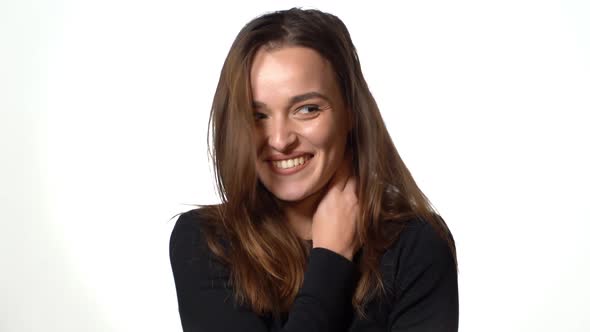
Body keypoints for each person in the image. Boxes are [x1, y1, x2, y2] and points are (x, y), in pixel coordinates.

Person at [169, 7, 459, 332]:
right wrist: (331, 259)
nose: (280, 140)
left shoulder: (418, 244)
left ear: (350, 112)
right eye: (258, 115)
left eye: (306, 109)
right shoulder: (206, 242)